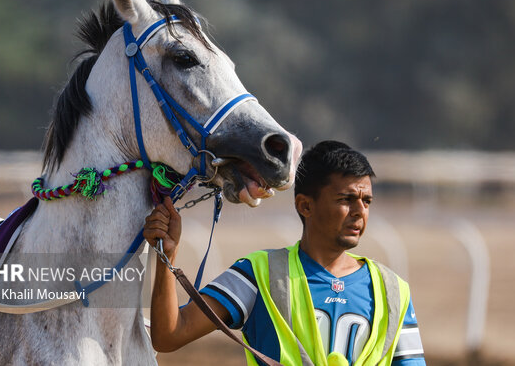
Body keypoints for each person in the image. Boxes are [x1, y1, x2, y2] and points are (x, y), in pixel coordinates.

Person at [143, 140, 426, 365]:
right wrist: (167, 255)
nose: (359, 212)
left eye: (366, 201)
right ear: (305, 206)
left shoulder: (393, 291)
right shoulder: (256, 275)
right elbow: (169, 336)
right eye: (346, 199)